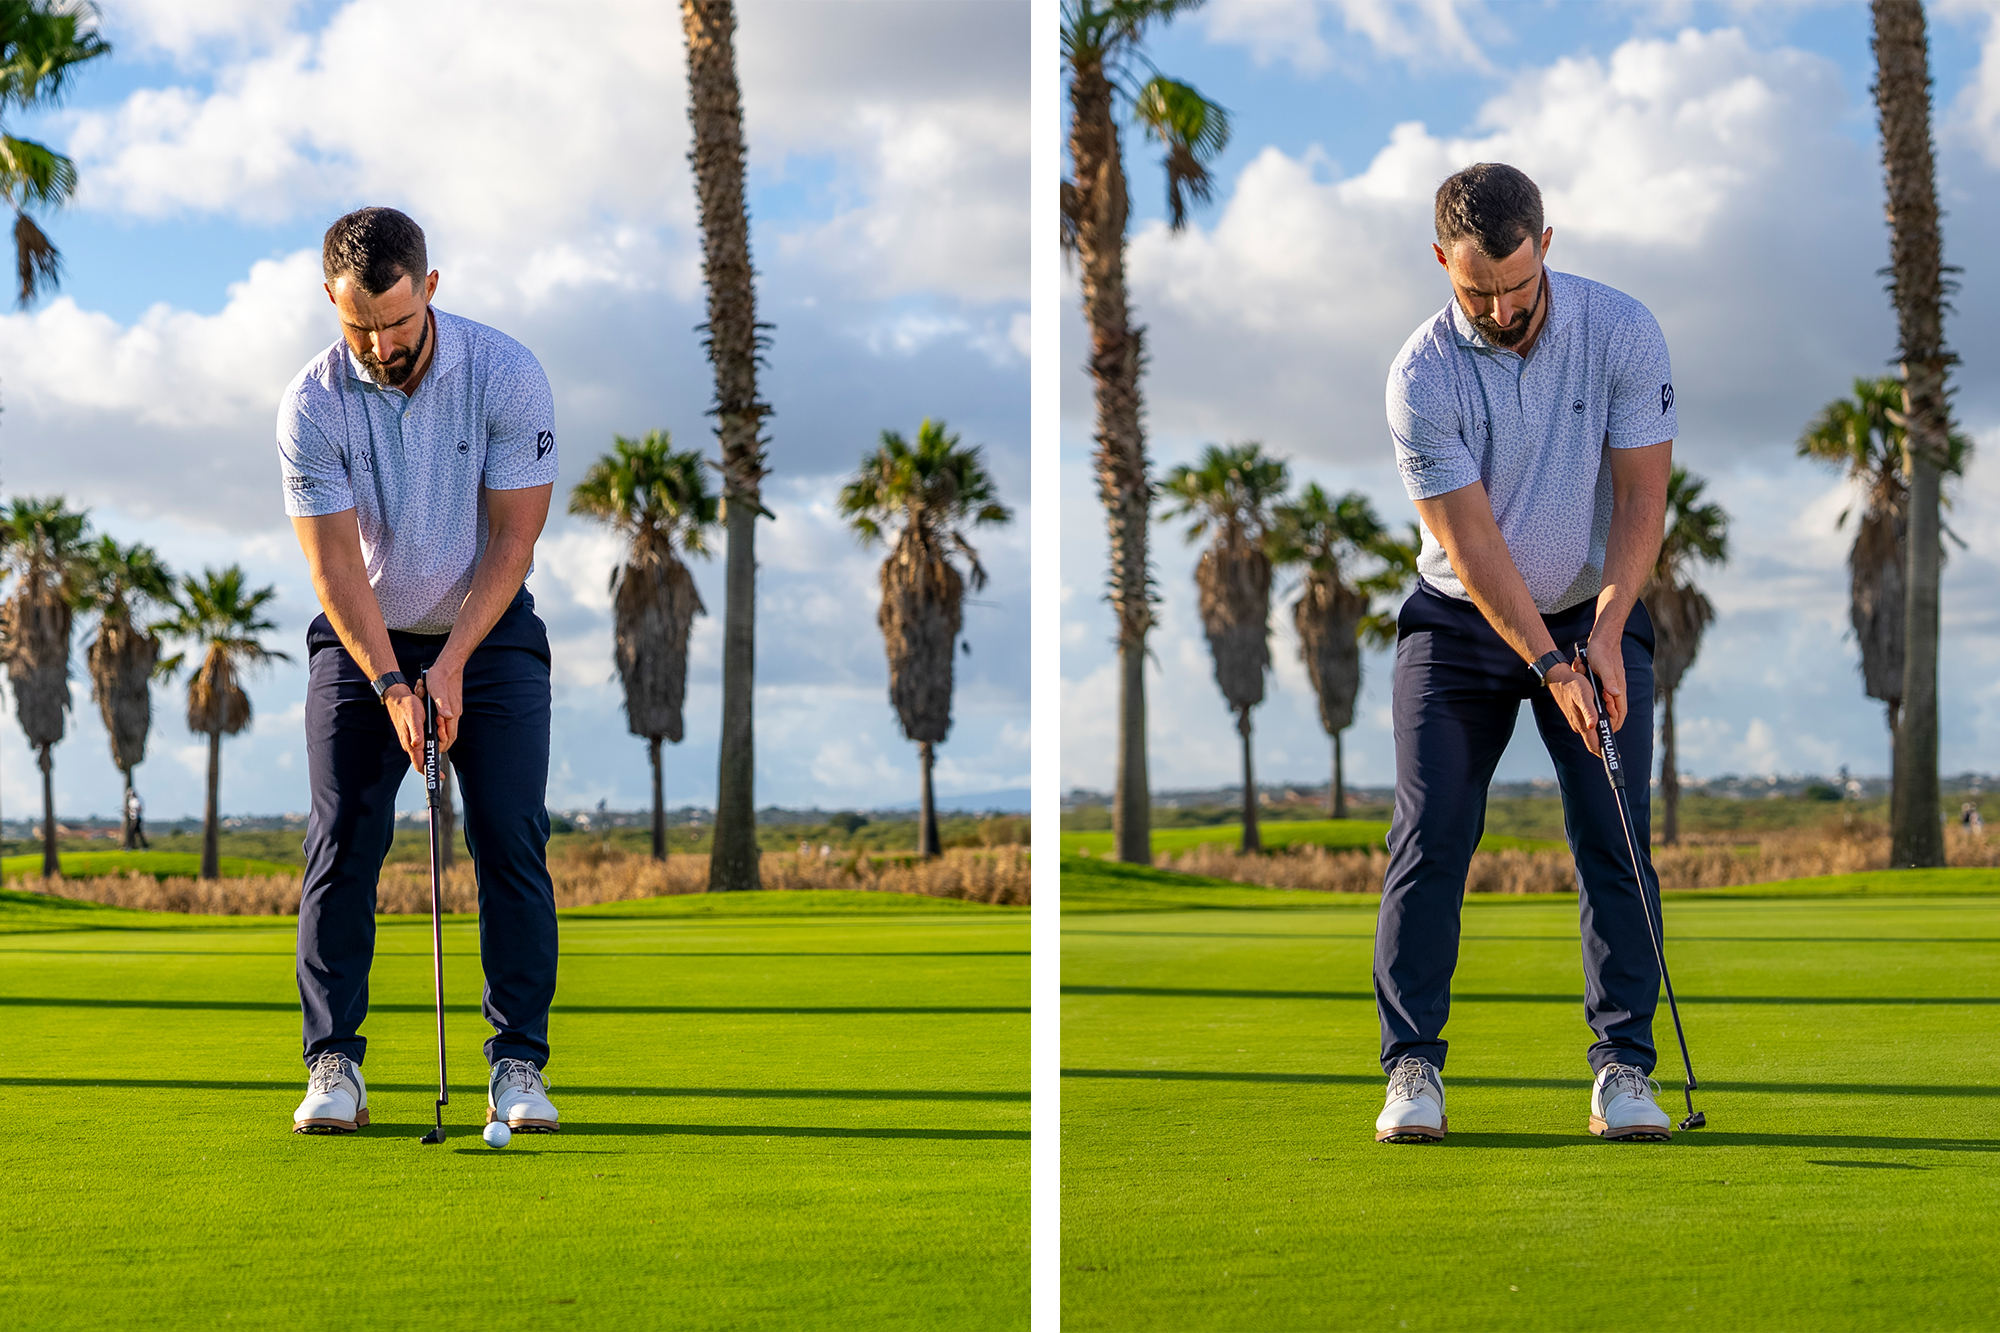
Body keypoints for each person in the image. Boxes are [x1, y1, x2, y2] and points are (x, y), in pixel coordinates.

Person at [1373, 163, 1678, 1143]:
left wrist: (1602, 630)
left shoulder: (1620, 331)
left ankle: (1623, 1072)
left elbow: (1639, 499)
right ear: (1438, 263)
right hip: (1460, 620)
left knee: (1613, 834)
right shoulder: (1418, 376)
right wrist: (1549, 665)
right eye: (1475, 291)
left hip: (1591, 606)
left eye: (1516, 283)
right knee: (1432, 838)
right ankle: (1411, 1068)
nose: (1502, 309)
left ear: (1545, 243)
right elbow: (1471, 546)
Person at [280, 206, 563, 1136]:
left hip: (488, 628)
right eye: (358, 323)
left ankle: (517, 1061)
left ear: (429, 289)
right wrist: (397, 684)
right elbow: (330, 570)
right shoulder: (312, 403)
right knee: (342, 843)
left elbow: (515, 541)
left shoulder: (506, 373)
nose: (379, 343)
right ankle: (334, 1067)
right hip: (363, 632)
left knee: (510, 837)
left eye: (396, 322)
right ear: (333, 300)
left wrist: (449, 665)